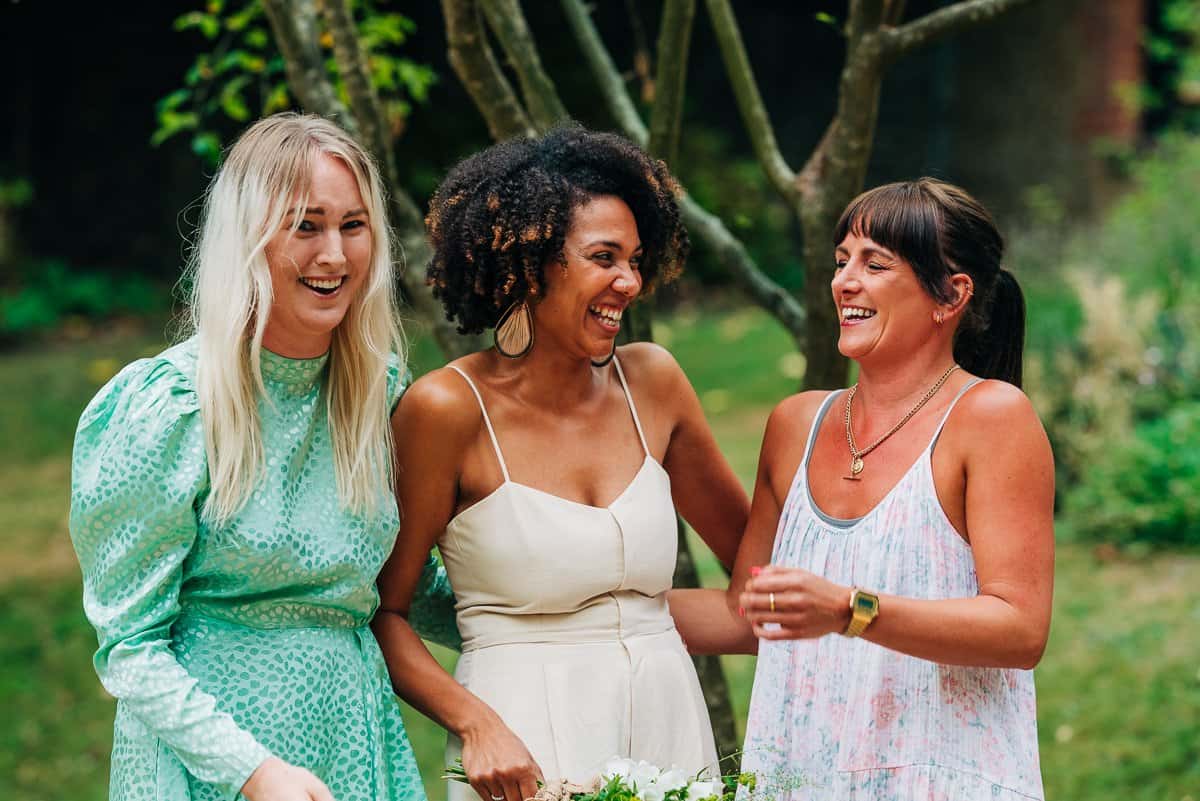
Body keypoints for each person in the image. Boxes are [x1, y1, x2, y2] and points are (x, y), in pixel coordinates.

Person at [68, 113, 460, 801]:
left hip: (350, 736)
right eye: (305, 225)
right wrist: (253, 771)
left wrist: (556, 621)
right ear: (247, 236)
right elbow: (130, 646)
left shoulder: (377, 393)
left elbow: (405, 585)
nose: (334, 255)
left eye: (353, 225)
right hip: (211, 764)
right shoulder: (170, 406)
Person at [372, 124, 751, 801]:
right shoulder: (445, 410)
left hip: (668, 726)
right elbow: (383, 611)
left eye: (636, 259)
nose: (629, 281)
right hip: (524, 741)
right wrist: (477, 725)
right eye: (604, 257)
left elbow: (756, 577)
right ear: (531, 264)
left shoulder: (654, 383)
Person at [732, 179, 1054, 800]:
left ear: (951, 295)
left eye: (874, 264)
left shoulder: (990, 417)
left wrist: (848, 610)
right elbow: (744, 616)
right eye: (841, 261)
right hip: (798, 780)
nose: (844, 282)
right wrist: (580, 610)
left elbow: (1020, 629)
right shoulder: (795, 425)